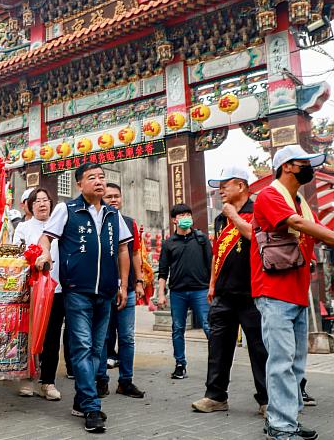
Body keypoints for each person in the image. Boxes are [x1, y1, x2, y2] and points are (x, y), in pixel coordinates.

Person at [253, 145, 334, 440]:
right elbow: (296, 225)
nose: (310, 168)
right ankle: (281, 426)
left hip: (295, 290)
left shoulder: (299, 201)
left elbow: (318, 231)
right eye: (304, 163)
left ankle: (285, 420)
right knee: (281, 361)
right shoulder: (271, 196)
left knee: (295, 363)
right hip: (273, 290)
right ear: (288, 166)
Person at [38, 162, 137, 434]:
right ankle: (92, 407)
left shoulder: (112, 214)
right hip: (77, 291)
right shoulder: (66, 210)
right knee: (82, 347)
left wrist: (123, 284)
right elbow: (46, 238)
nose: (99, 181)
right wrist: (45, 253)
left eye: (102, 177)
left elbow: (123, 251)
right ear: (79, 184)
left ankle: (82, 400)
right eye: (91, 177)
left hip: (106, 292)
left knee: (97, 350)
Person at [191, 167, 268, 415]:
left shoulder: (257, 210)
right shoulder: (220, 217)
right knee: (218, 347)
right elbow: (217, 253)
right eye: (219, 185)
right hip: (223, 294)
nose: (220, 190)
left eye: (225, 185)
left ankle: (267, 399)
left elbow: (254, 237)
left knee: (259, 348)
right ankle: (215, 396)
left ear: (241, 185)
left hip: (251, 293)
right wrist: (212, 283)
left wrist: (234, 215)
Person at [13, 188, 67, 401]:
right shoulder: (24, 228)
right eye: (37, 201)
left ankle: (48, 382)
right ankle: (26, 378)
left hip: (57, 288)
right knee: (28, 334)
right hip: (29, 290)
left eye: (46, 200)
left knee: (52, 336)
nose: (42, 204)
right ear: (30, 205)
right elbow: (16, 255)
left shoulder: (61, 226)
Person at [96, 182, 146, 398]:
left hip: (129, 289)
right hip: (104, 289)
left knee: (127, 337)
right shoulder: (96, 221)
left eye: (117, 196)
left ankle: (126, 381)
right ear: (101, 199)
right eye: (109, 197)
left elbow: (135, 253)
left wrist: (140, 281)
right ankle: (101, 380)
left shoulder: (129, 223)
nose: (113, 200)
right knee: (103, 337)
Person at [157, 203, 212, 380]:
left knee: (208, 326)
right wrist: (160, 294)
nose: (186, 218)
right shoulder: (168, 243)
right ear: (174, 220)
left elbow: (211, 266)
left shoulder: (201, 239)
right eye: (182, 215)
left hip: (201, 290)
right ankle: (180, 364)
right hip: (178, 292)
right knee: (177, 328)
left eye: (188, 214)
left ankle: (218, 363)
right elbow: (163, 270)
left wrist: (213, 287)